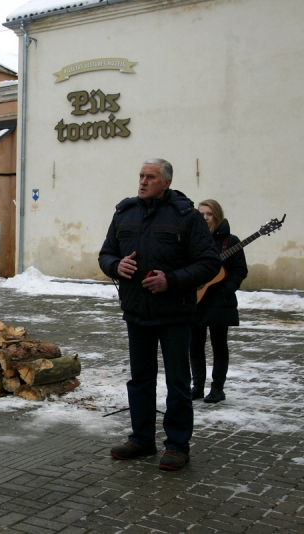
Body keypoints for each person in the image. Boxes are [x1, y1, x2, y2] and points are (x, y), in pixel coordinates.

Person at [98, 159, 221, 471]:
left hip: (175, 313)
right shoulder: (125, 212)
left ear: (165, 182)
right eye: (140, 176)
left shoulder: (187, 217)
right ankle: (141, 439)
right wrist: (116, 266)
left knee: (178, 382)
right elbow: (106, 253)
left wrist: (172, 280)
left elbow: (209, 263)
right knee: (140, 379)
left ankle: (178, 445)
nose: (142, 182)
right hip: (136, 310)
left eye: (149, 177)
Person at [190, 199, 248, 404]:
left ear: (217, 216)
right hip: (196, 300)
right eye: (201, 214)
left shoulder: (230, 241)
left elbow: (240, 270)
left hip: (219, 301)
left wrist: (225, 289)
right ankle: (197, 386)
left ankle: (217, 388)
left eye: (209, 214)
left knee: (219, 344)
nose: (205, 218)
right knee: (194, 345)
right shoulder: (194, 238)